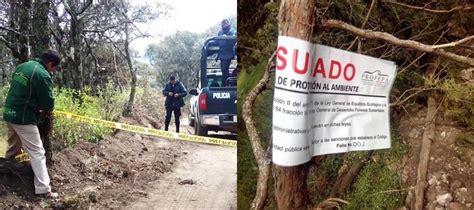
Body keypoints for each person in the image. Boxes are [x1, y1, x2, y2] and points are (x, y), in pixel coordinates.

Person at [3, 50, 61, 199]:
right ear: (50, 64)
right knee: (37, 152)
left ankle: (6, 171)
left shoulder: (23, 66)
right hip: (23, 116)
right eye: (54, 68)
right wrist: (46, 109)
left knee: (14, 146)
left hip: (9, 112)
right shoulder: (42, 74)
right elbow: (48, 102)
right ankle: (43, 190)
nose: (53, 71)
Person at [217, 19, 237, 86]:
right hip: (221, 53)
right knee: (223, 70)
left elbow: (233, 40)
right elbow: (217, 41)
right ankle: (225, 84)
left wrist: (227, 38)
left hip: (228, 53)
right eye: (223, 23)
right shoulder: (220, 32)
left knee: (225, 68)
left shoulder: (232, 31)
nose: (224, 25)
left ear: (228, 23)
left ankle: (226, 84)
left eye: (225, 23)